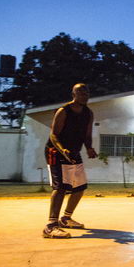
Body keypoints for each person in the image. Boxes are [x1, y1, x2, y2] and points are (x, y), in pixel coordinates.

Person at [42, 83, 97, 238]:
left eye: (87, 93)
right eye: (81, 93)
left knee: (80, 187)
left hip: (73, 151)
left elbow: (87, 135)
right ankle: (50, 226)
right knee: (60, 187)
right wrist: (62, 150)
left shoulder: (88, 113)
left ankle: (66, 219)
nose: (85, 95)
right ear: (74, 94)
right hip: (56, 151)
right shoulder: (63, 111)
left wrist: (89, 148)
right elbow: (53, 135)